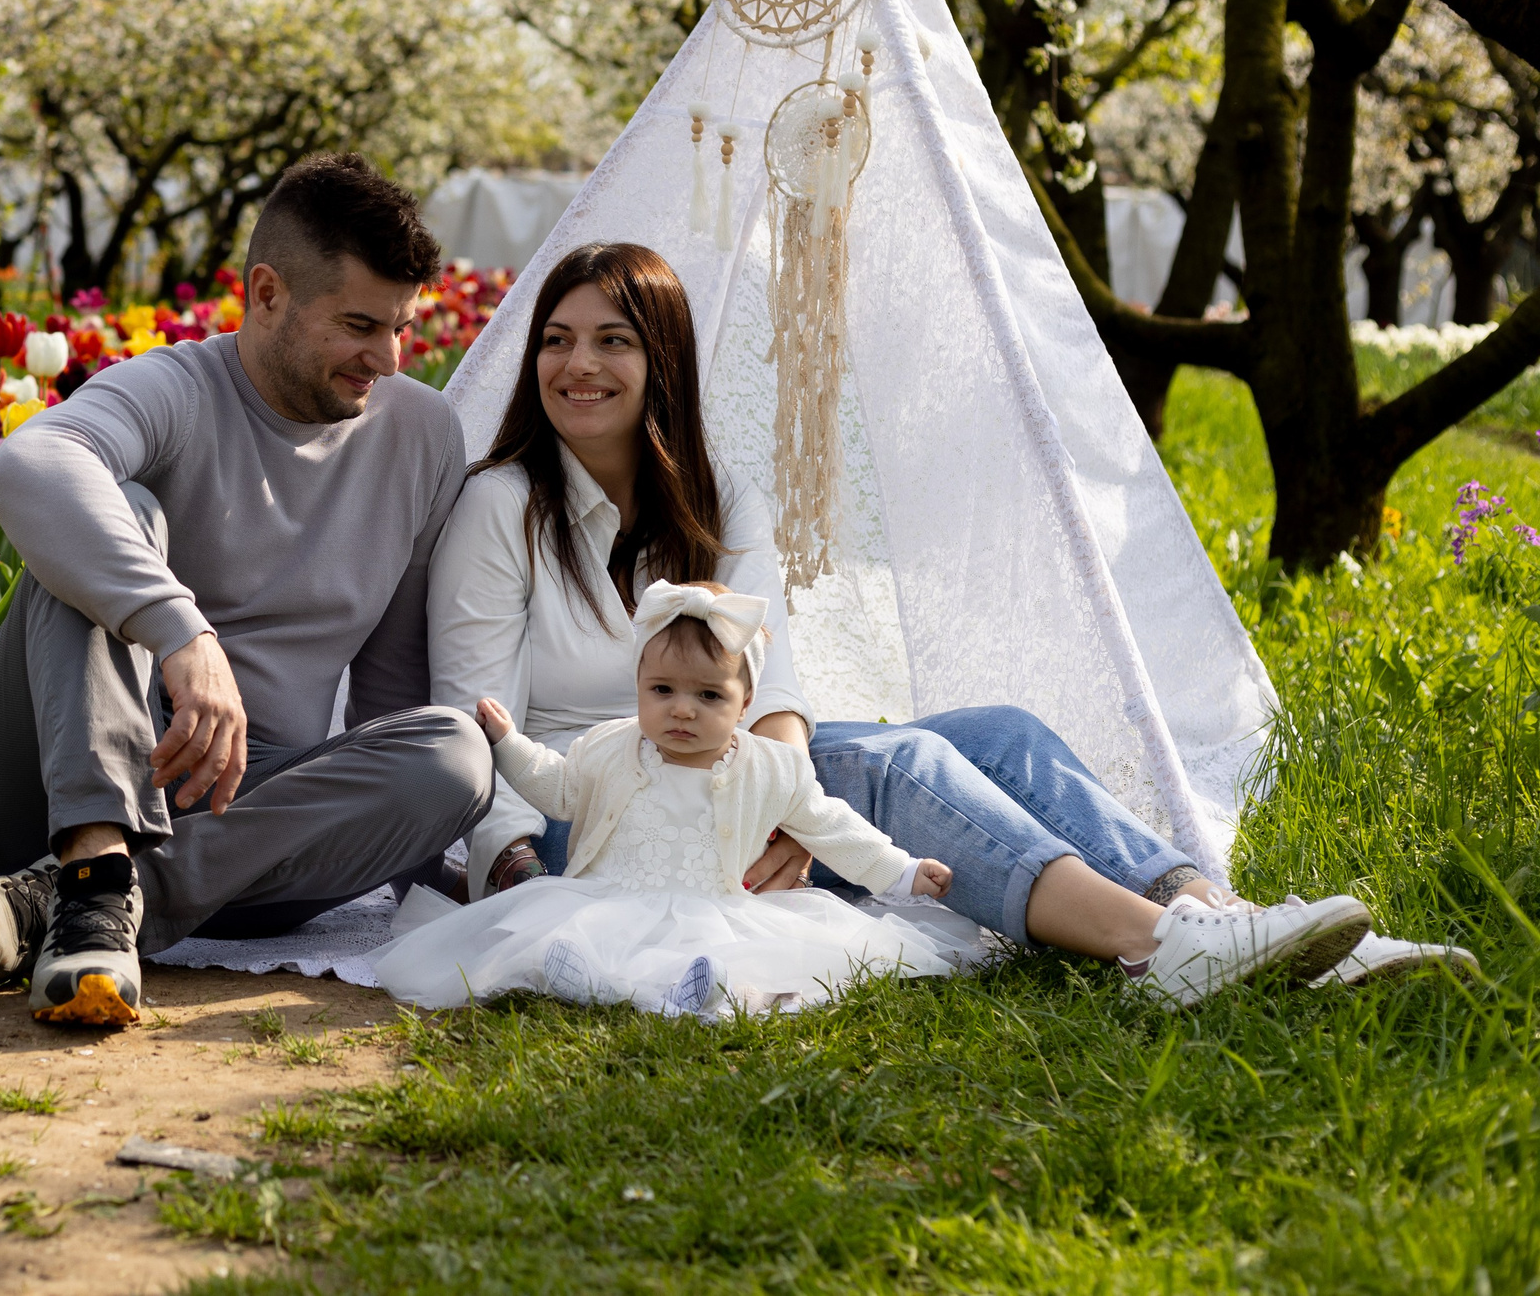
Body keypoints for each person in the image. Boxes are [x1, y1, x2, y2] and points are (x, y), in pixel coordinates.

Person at [429, 241, 1454, 1002]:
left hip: (728, 788)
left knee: (1001, 732)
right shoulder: (500, 507)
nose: (578, 366)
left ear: (665, 361)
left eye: (613, 341)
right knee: (890, 764)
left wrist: (775, 801)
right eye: (556, 342)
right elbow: (475, 729)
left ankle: (1231, 922)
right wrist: (520, 873)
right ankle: (1157, 948)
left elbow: (772, 693)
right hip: (599, 815)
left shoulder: (719, 496)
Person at [0, 154, 491, 1027]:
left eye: (399, 327)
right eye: (358, 324)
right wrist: (179, 630)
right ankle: (88, 852)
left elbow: (390, 689)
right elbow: (29, 463)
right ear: (266, 292)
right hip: (43, 789)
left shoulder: (422, 435)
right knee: (113, 507)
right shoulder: (180, 389)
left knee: (457, 752)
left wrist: (412, 837)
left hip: (248, 825)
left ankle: (83, 897)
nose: (384, 357)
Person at [374, 582, 959, 1017]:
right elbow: (558, 787)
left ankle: (707, 989)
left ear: (746, 699)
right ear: (637, 686)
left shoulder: (770, 768)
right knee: (562, 937)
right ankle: (578, 978)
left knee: (740, 956)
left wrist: (901, 871)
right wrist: (508, 744)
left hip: (712, 905)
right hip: (610, 897)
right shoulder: (611, 747)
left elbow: (833, 827)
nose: (682, 710)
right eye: (662, 690)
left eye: (708, 694)